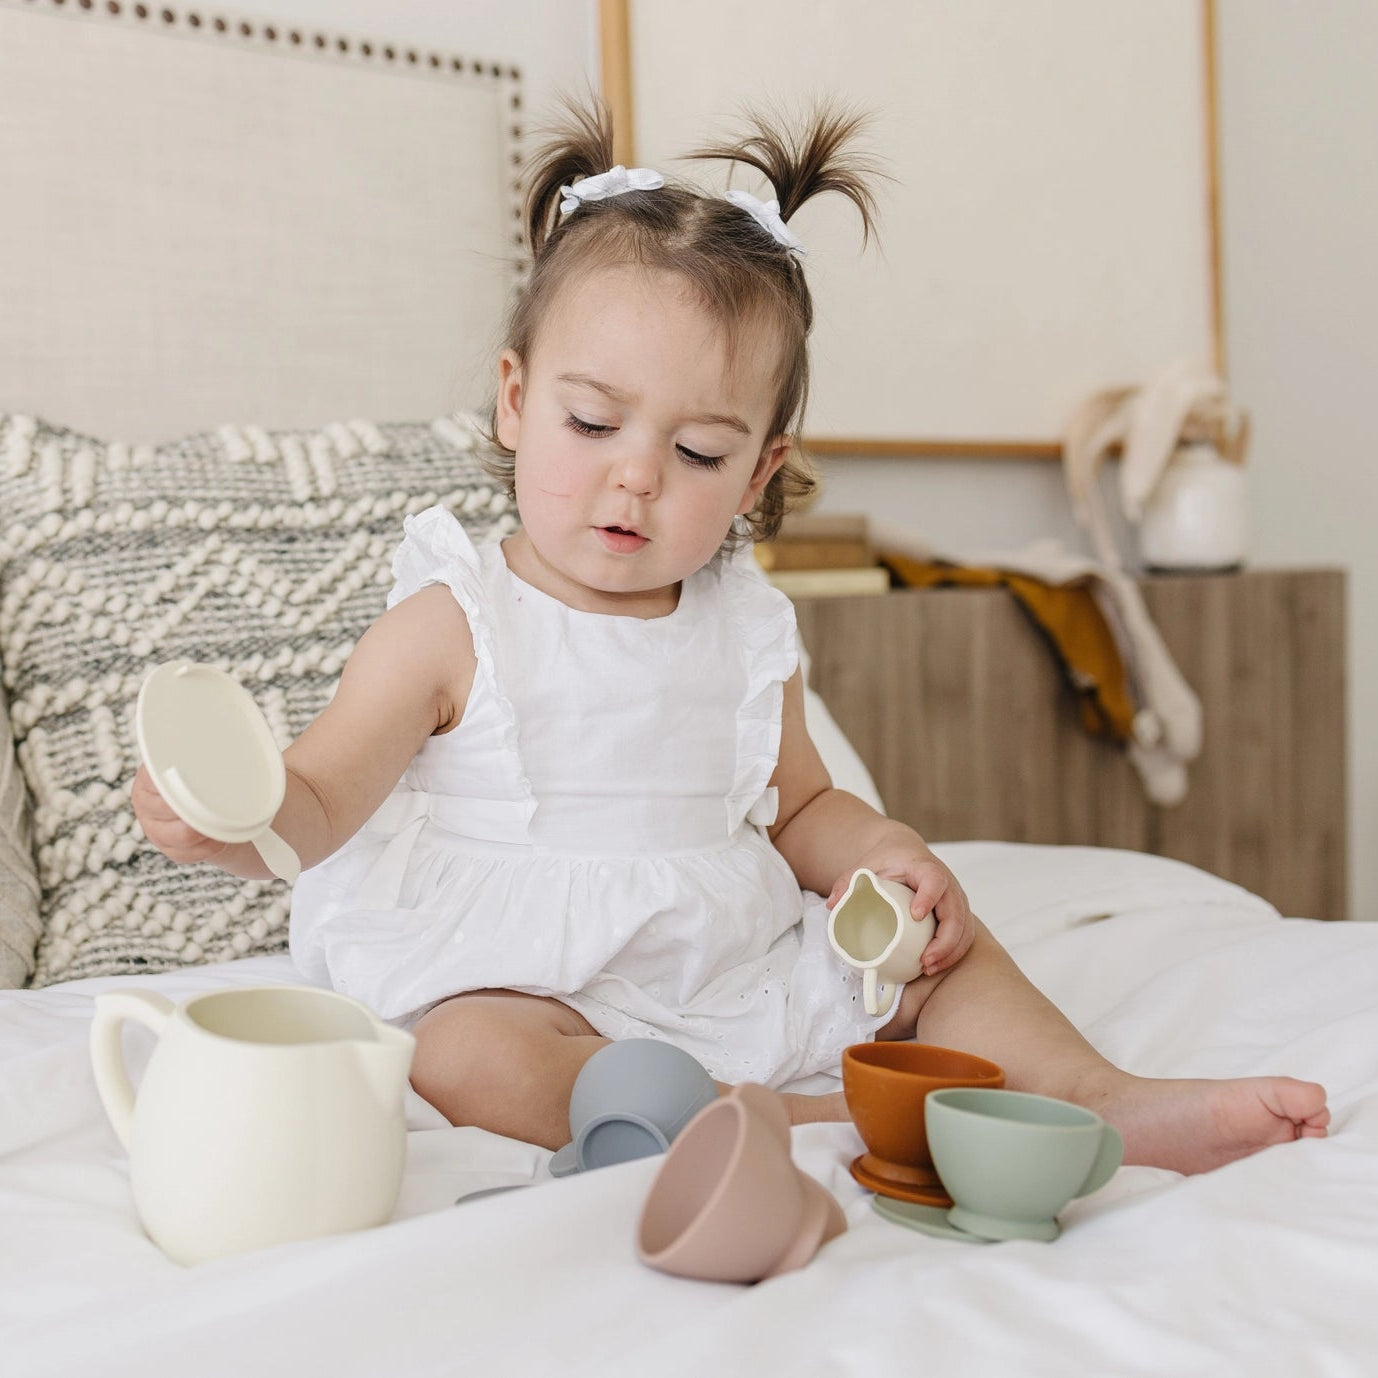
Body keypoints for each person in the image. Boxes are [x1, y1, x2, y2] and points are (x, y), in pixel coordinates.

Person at [132, 101, 1328, 1175]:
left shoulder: (743, 630)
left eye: (698, 452)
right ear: (512, 398)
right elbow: (324, 800)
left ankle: (1091, 1098)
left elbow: (800, 808)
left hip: (717, 951)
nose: (636, 477)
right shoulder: (452, 622)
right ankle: (776, 1119)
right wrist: (239, 820)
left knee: (942, 957)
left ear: (759, 473)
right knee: (464, 1055)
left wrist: (889, 852)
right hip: (530, 981)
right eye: (592, 420)